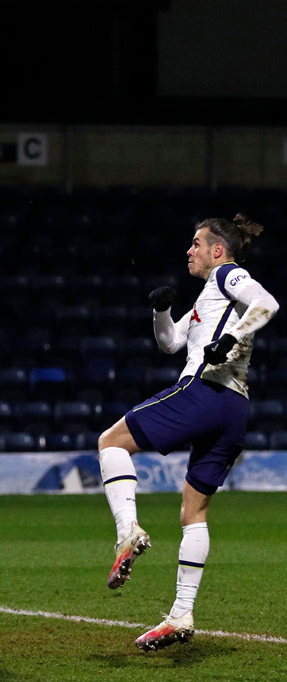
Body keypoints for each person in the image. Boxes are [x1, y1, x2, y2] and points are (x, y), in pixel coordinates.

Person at [96, 214, 279, 651]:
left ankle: (127, 531)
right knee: (193, 513)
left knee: (110, 442)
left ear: (218, 250)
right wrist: (161, 312)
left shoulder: (228, 275)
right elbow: (171, 343)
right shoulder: (206, 297)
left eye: (197, 243)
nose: (189, 250)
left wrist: (228, 339)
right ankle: (181, 614)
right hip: (234, 408)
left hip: (205, 391)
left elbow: (267, 304)